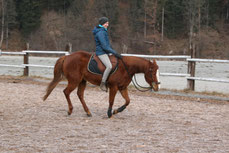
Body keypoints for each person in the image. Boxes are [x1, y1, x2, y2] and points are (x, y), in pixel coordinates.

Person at [92, 17, 122, 92]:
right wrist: (114, 53)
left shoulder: (103, 31)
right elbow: (104, 46)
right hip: (101, 52)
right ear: (102, 23)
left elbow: (107, 45)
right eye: (106, 23)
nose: (108, 24)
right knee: (109, 66)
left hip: (106, 51)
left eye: (108, 23)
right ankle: (102, 83)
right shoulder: (101, 32)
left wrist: (113, 51)